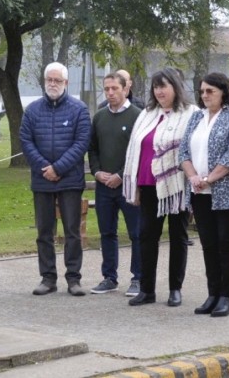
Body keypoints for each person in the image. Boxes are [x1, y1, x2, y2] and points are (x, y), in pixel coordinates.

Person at [123, 68, 196, 307]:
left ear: (175, 87)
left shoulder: (190, 113)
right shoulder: (147, 114)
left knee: (178, 236)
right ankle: (147, 289)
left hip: (176, 186)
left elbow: (192, 148)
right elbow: (136, 147)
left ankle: (175, 288)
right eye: (156, 87)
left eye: (164, 86)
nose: (159, 91)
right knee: (146, 237)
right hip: (148, 184)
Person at [179, 73, 229, 317]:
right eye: (202, 91)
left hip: (226, 192)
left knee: (225, 243)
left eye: (210, 91)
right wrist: (193, 177)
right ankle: (212, 293)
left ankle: (226, 297)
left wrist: (209, 178)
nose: (205, 95)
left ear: (223, 91)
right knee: (208, 244)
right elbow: (183, 151)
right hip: (199, 192)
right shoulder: (196, 117)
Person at [20, 62, 92, 297]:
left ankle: (74, 278)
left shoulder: (79, 109)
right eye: (49, 79)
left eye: (57, 80)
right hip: (42, 181)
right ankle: (48, 278)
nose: (52, 84)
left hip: (69, 180)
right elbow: (26, 141)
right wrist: (45, 168)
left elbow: (81, 143)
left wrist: (58, 168)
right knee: (44, 232)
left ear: (66, 83)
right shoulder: (31, 110)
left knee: (72, 232)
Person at [88, 72, 142, 297]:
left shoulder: (138, 116)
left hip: (128, 185)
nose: (110, 93)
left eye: (114, 89)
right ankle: (109, 277)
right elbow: (93, 149)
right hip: (103, 186)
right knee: (107, 232)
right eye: (107, 89)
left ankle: (139, 278)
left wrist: (120, 175)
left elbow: (138, 153)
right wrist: (97, 172)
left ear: (125, 89)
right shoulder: (99, 117)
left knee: (136, 233)